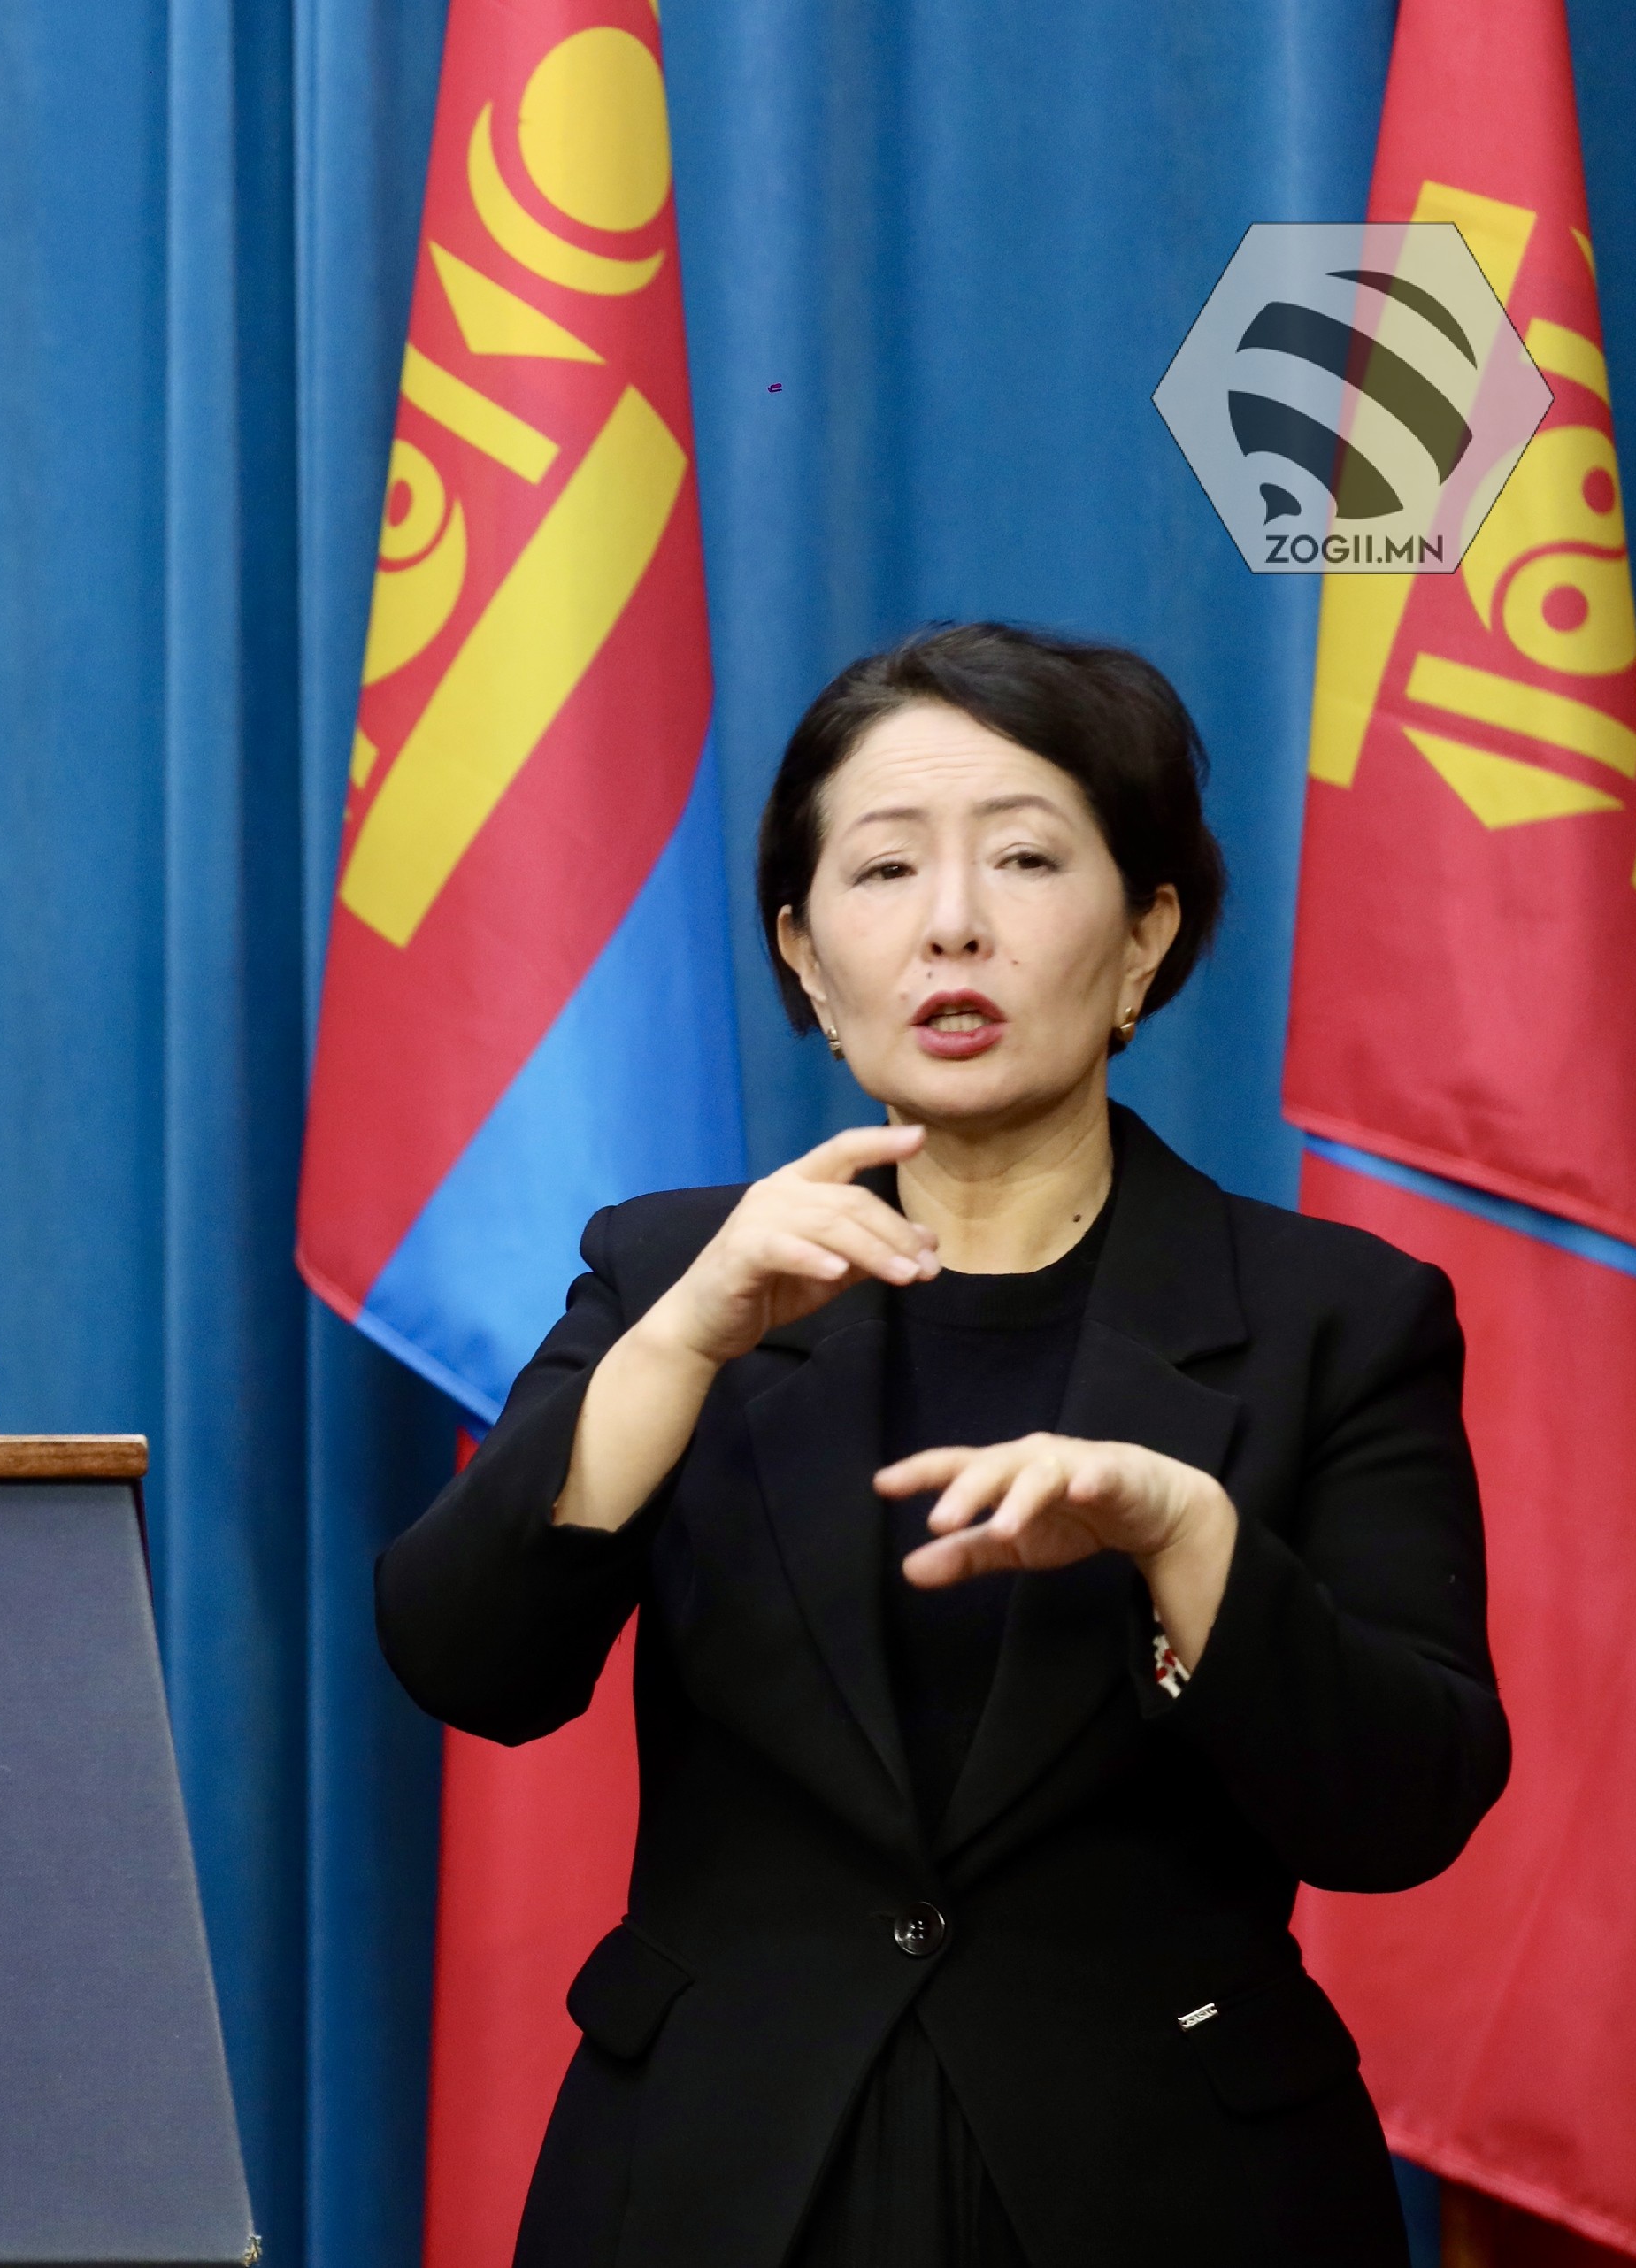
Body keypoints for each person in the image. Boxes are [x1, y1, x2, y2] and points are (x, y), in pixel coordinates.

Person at [376, 622, 1506, 2267]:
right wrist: (674, 1348)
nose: (952, 922)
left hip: (1175, 2185)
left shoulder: (1337, 1314)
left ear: (1146, 936)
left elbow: (1404, 1811)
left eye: (1026, 858)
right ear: (807, 957)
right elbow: (467, 1662)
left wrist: (1186, 1537)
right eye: (885, 868)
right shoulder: (673, 1271)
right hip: (718, 2176)